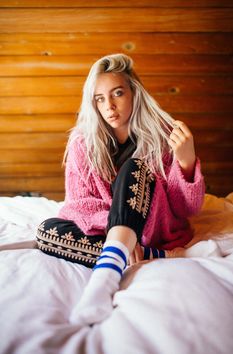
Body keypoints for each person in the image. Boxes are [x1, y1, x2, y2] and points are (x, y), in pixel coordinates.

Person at [36, 53, 206, 326]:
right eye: (99, 99)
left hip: (154, 230)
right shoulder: (82, 142)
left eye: (117, 93)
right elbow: (78, 204)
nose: (109, 106)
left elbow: (186, 209)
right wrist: (122, 232)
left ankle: (104, 279)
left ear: (134, 93)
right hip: (122, 237)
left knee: (134, 167)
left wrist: (185, 161)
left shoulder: (162, 136)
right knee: (47, 232)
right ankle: (153, 255)